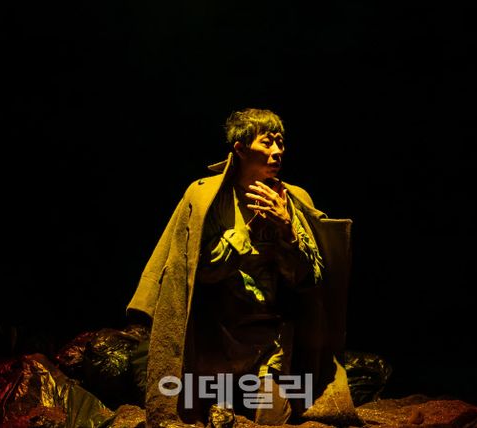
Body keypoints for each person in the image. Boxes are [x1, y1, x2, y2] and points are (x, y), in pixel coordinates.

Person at [126, 108, 360, 427]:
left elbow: (310, 278)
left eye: (281, 142)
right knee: (202, 415)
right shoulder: (207, 197)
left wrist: (287, 230)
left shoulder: (292, 200)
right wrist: (247, 233)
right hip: (216, 339)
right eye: (267, 142)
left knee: (271, 418)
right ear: (240, 148)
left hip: (270, 341)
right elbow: (197, 271)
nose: (277, 151)